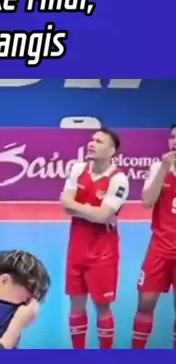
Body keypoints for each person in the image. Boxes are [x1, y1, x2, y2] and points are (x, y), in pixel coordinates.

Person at [60, 127, 129, 350]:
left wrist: (81, 208)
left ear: (111, 150)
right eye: (91, 140)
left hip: (103, 253)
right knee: (76, 304)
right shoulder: (78, 169)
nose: (91, 144)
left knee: (102, 306)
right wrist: (95, 212)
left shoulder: (119, 179)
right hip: (76, 250)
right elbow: (65, 205)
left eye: (99, 141)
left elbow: (102, 215)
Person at [132, 125, 176, 348]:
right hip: (159, 248)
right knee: (145, 304)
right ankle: (137, 358)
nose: (175, 142)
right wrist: (164, 169)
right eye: (173, 137)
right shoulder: (159, 167)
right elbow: (147, 201)